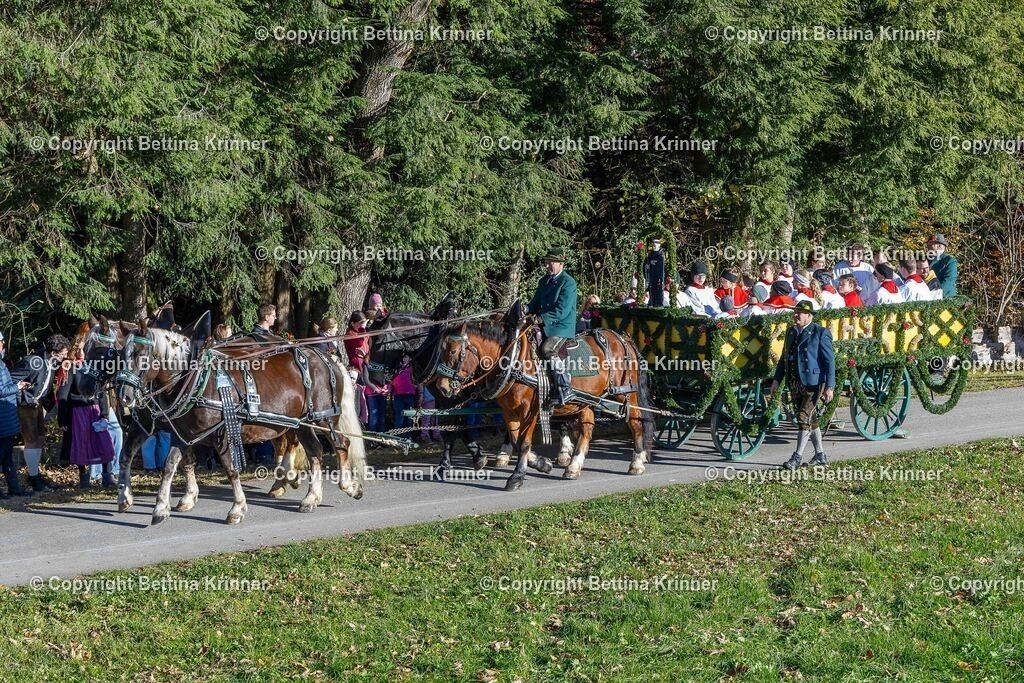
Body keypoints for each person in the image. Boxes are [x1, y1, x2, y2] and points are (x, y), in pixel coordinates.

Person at [770, 300, 836, 471]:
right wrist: (777, 379)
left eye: (800, 312)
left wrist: (830, 387)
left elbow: (829, 362)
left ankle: (796, 458)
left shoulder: (820, 333)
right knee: (810, 420)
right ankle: (820, 455)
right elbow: (784, 358)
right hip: (795, 381)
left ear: (809, 316)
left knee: (803, 418)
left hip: (813, 383)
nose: (796, 315)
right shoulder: (791, 332)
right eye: (795, 312)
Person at [10, 334, 70, 492]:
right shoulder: (31, 362)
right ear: (54, 352)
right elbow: (9, 380)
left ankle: (34, 474)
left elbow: (46, 386)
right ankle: (33, 478)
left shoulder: (52, 362)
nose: (65, 356)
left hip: (38, 404)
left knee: (40, 439)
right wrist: (22, 397)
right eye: (63, 353)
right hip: (25, 404)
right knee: (32, 440)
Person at [525, 248, 579, 407]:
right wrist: (525, 310)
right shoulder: (543, 281)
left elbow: (561, 311)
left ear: (561, 263)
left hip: (561, 326)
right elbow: (535, 303)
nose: (547, 265)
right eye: (546, 262)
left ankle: (564, 386)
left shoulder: (568, 282)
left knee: (548, 349)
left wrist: (540, 318)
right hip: (542, 323)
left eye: (551, 262)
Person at [58, 346, 117, 489]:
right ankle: (84, 479)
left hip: (95, 410)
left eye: (83, 349)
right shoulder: (70, 370)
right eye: (78, 350)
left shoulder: (94, 369)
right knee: (81, 443)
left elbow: (101, 391)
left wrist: (104, 415)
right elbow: (63, 396)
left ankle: (107, 476)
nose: (81, 352)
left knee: (104, 442)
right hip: (78, 412)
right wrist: (63, 419)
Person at [0, 331, 33, 497]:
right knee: (3, 456)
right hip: (3, 419)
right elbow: (0, 390)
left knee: (8, 457)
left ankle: (15, 488)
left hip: (7, 417)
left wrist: (17, 385)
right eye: (1, 342)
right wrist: (17, 387)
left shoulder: (1, 363)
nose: (3, 346)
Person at [927, 234, 958, 298]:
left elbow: (948, 282)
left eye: (931, 244)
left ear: (940, 246)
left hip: (945, 298)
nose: (928, 246)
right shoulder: (925, 259)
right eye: (928, 244)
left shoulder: (950, 261)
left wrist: (934, 296)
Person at [391, 355, 417, 430]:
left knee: (409, 417)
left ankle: (407, 435)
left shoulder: (413, 368)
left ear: (410, 358)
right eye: (404, 357)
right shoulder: (397, 368)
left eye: (407, 357)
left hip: (409, 394)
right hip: (398, 395)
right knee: (399, 416)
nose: (405, 359)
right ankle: (397, 435)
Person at [643, 238, 667, 307]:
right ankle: (651, 302)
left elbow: (665, 269)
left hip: (660, 279)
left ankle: (659, 304)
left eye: (656, 243)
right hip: (652, 278)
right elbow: (645, 266)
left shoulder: (662, 256)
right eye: (653, 243)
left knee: (659, 293)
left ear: (659, 245)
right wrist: (647, 267)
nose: (654, 245)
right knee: (652, 292)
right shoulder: (649, 256)